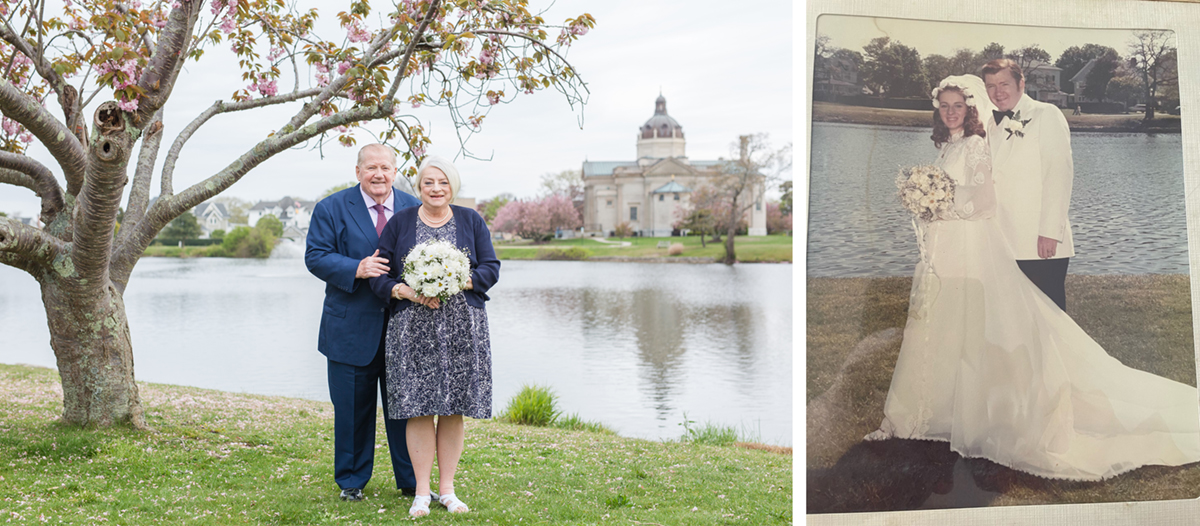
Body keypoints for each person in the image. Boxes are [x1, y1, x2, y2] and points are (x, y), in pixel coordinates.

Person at [864, 74, 1200, 481]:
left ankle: (996, 415)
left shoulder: (974, 145)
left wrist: (942, 207)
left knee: (979, 325)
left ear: (971, 110)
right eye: (945, 105)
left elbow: (985, 202)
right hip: (946, 247)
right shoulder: (947, 145)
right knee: (946, 324)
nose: (951, 112)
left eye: (959, 105)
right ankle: (927, 412)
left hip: (969, 243)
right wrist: (926, 201)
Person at [368, 155, 500, 517]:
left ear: (452, 186)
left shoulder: (471, 220)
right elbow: (379, 273)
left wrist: (458, 280)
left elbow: (491, 267)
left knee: (453, 408)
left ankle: (448, 490)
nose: (436, 189)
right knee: (418, 408)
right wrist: (405, 291)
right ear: (419, 187)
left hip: (461, 328)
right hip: (412, 328)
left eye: (443, 182)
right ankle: (421, 492)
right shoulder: (400, 222)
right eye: (428, 183)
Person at [305, 144, 422, 501]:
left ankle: (413, 482)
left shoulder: (413, 208)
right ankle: (352, 482)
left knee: (406, 409)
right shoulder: (331, 207)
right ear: (358, 172)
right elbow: (316, 256)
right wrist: (357, 268)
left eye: (385, 167)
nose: (379, 174)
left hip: (405, 327)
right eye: (371, 167)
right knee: (353, 411)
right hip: (349, 329)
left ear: (394, 171)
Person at [984, 59, 1074, 310]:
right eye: (991, 86)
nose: (998, 92)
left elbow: (1059, 175)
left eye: (1004, 84)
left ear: (1021, 83)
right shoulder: (992, 124)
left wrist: (1049, 232)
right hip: (1005, 239)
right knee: (1016, 318)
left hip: (1039, 240)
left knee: (1049, 317)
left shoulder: (1046, 114)